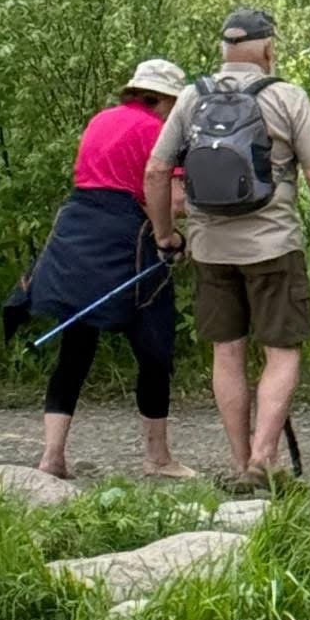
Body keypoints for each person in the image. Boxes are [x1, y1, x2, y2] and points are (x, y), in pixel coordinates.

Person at [144, 9, 310, 488]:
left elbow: (156, 171)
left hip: (210, 247)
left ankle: (240, 465)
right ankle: (263, 458)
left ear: (224, 51)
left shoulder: (191, 96)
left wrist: (165, 235)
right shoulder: (286, 96)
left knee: (227, 351)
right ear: (269, 49)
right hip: (272, 244)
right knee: (282, 350)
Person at [26, 59, 195, 481]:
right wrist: (170, 236)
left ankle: (52, 456)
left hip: (77, 232)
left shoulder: (101, 120)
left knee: (75, 345)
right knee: (154, 347)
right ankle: (157, 458)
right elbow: (171, 199)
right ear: (168, 100)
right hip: (127, 239)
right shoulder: (159, 131)